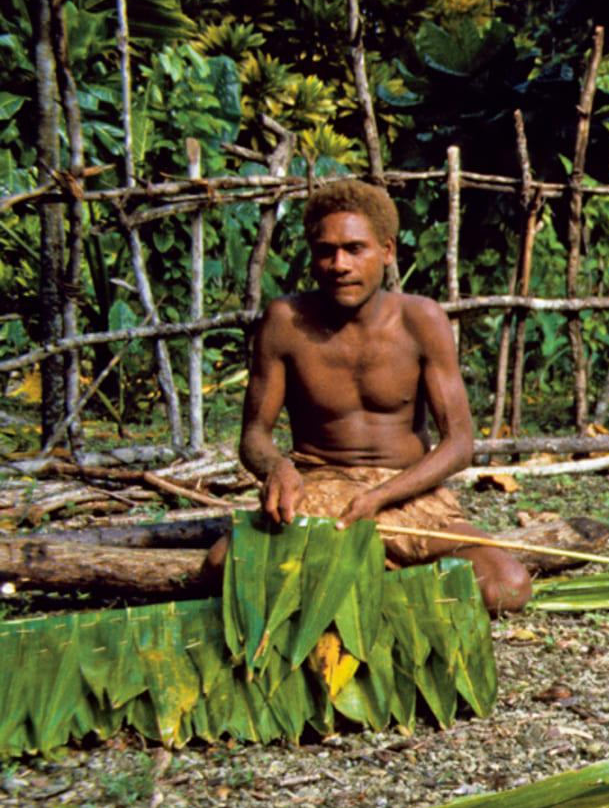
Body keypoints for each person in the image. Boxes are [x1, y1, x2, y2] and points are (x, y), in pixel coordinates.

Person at [204, 179, 530, 614]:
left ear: (387, 251)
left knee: (505, 587)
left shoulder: (421, 319)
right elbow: (254, 435)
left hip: (407, 493)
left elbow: (458, 443)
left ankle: (348, 586)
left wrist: (383, 495)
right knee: (221, 567)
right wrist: (276, 467)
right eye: (326, 251)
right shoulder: (285, 321)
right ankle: (371, 587)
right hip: (318, 491)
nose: (340, 264)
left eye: (355, 249)